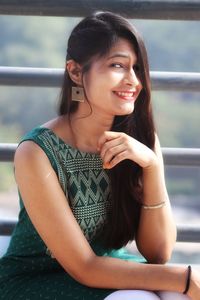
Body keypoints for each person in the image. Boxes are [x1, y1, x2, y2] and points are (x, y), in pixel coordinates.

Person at [0, 11, 199, 300]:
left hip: (111, 268)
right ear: (76, 72)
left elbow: (158, 253)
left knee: (178, 297)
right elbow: (85, 266)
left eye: (138, 69)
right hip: (37, 279)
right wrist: (187, 276)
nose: (133, 80)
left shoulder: (140, 141)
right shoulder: (38, 152)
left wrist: (152, 167)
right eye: (118, 65)